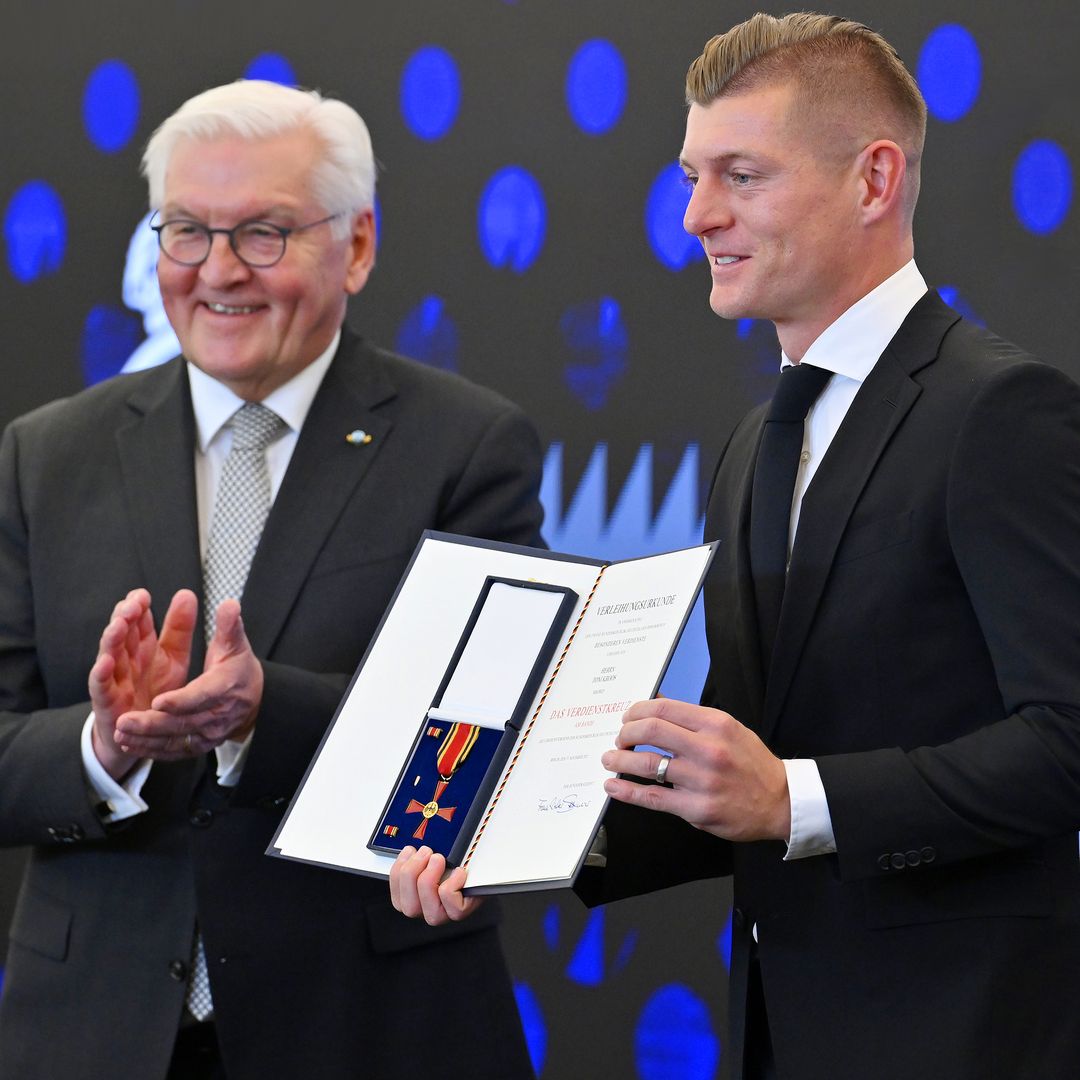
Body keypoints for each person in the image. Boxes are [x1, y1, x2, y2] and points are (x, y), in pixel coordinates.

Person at [391, 13, 1080, 1080]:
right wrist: (530, 841)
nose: (696, 215)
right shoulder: (754, 441)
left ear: (873, 179)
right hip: (775, 1032)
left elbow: (1067, 740)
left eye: (741, 175)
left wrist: (796, 799)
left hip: (967, 1033)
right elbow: (748, 761)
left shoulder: (1001, 412)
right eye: (690, 176)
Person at [0, 80, 540, 1080]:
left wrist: (264, 714)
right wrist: (101, 745)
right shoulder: (46, 455)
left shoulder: (467, 449)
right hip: (98, 1035)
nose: (217, 273)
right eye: (186, 232)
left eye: (263, 234)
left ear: (360, 245)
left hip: (367, 1027)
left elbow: (487, 754)